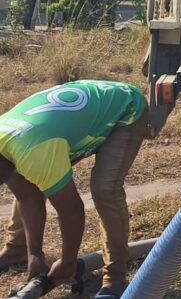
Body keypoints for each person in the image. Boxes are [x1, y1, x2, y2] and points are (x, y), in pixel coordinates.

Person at [0, 80, 148, 299]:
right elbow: (28, 197)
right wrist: (35, 254)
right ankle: (17, 251)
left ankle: (115, 278)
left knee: (105, 189)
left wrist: (68, 260)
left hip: (124, 108)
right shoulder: (7, 149)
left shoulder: (33, 152)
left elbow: (72, 211)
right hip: (70, 116)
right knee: (26, 178)